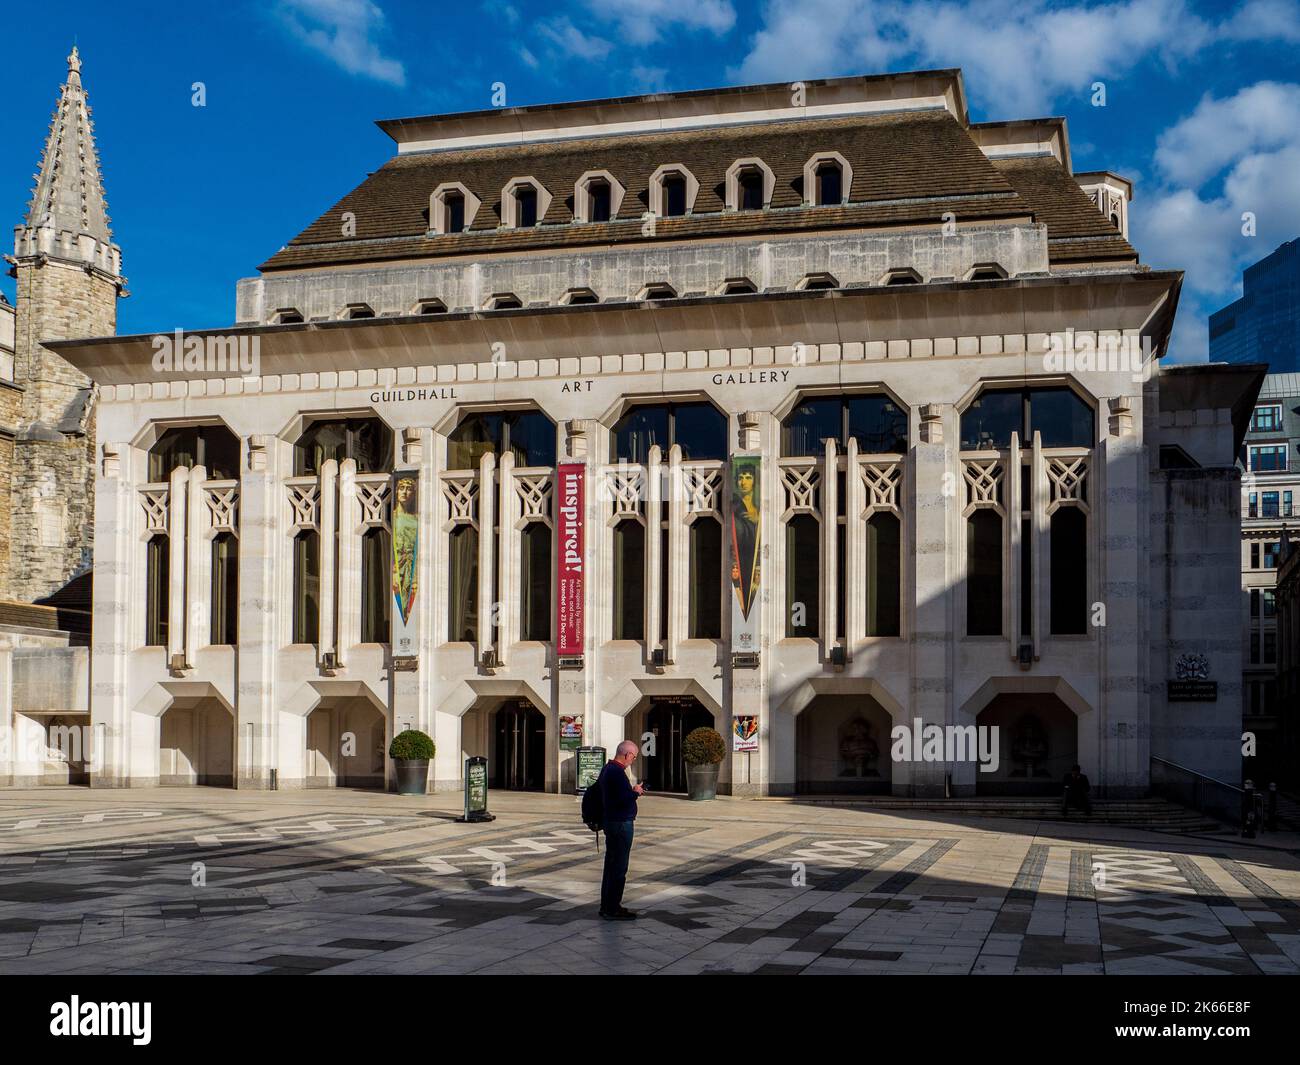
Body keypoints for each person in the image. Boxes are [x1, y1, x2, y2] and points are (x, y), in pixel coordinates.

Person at [597, 740, 645, 920]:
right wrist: (636, 792)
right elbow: (621, 799)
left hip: (613, 821)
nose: (633, 760)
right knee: (618, 866)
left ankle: (608, 905)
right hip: (620, 823)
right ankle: (612, 908)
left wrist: (631, 791)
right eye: (634, 756)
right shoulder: (616, 772)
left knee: (611, 864)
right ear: (627, 755)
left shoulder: (608, 769)